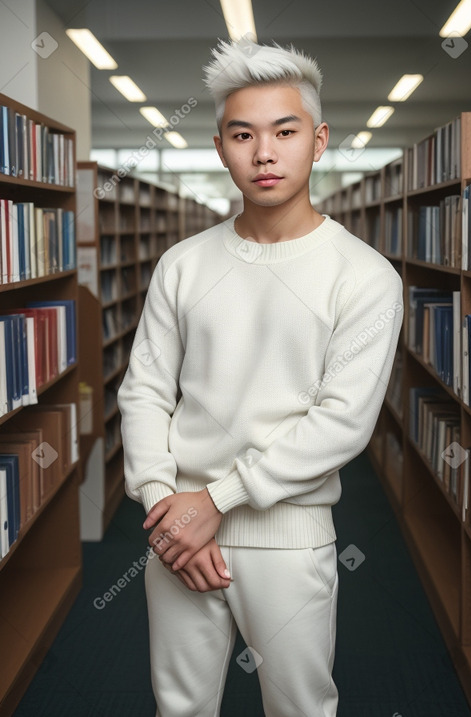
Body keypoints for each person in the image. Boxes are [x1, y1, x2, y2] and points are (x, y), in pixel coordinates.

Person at [117, 37, 403, 717]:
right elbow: (146, 391)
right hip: (178, 529)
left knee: (300, 708)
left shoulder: (363, 276)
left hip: (289, 534)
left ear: (320, 139)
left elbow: (341, 421)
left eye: (284, 131)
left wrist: (213, 500)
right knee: (179, 707)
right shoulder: (183, 265)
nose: (264, 152)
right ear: (221, 146)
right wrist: (167, 511)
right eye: (243, 134)